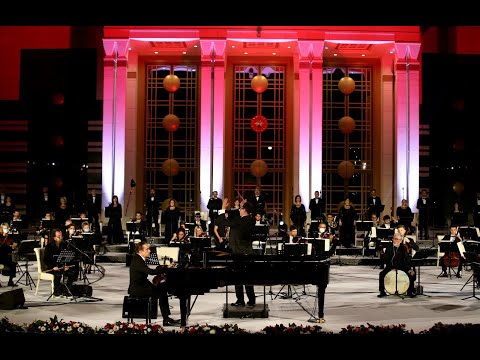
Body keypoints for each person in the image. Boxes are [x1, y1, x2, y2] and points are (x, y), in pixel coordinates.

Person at [128, 241, 180, 327]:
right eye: (147, 249)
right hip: (138, 289)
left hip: (143, 286)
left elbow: (144, 277)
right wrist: (166, 267)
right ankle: (166, 319)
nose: (149, 251)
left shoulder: (139, 259)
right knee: (161, 293)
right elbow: (151, 272)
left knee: (162, 290)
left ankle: (167, 318)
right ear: (140, 251)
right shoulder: (137, 260)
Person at [217, 197, 256, 307]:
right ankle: (251, 300)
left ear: (244, 210)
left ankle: (240, 300)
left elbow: (224, 222)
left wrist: (223, 209)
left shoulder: (240, 221)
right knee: (247, 278)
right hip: (246, 252)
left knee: (237, 277)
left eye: (241, 208)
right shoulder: (250, 220)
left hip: (239, 253)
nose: (239, 209)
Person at [378, 232, 416, 298]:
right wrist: (391, 267)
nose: (394, 240)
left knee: (411, 274)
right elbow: (386, 258)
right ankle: (382, 291)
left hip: (402, 267)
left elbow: (407, 260)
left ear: (401, 240)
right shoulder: (389, 247)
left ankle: (410, 291)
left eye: (396, 239)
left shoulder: (403, 248)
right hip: (390, 267)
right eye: (394, 239)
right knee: (382, 274)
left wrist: (409, 269)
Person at [43, 229, 77, 296]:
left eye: (61, 236)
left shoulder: (64, 245)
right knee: (57, 274)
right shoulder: (49, 246)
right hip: (52, 268)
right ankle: (56, 291)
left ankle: (67, 290)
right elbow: (46, 259)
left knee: (71, 273)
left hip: (61, 266)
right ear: (54, 238)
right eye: (59, 236)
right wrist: (53, 267)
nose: (61, 238)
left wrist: (66, 265)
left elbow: (66, 257)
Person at [0, 222, 18, 287]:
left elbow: (11, 246)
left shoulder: (9, 237)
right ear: (1, 229)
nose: (6, 230)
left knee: (13, 264)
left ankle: (10, 281)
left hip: (5, 256)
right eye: (5, 228)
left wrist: (13, 246)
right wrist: (4, 237)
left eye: (7, 229)